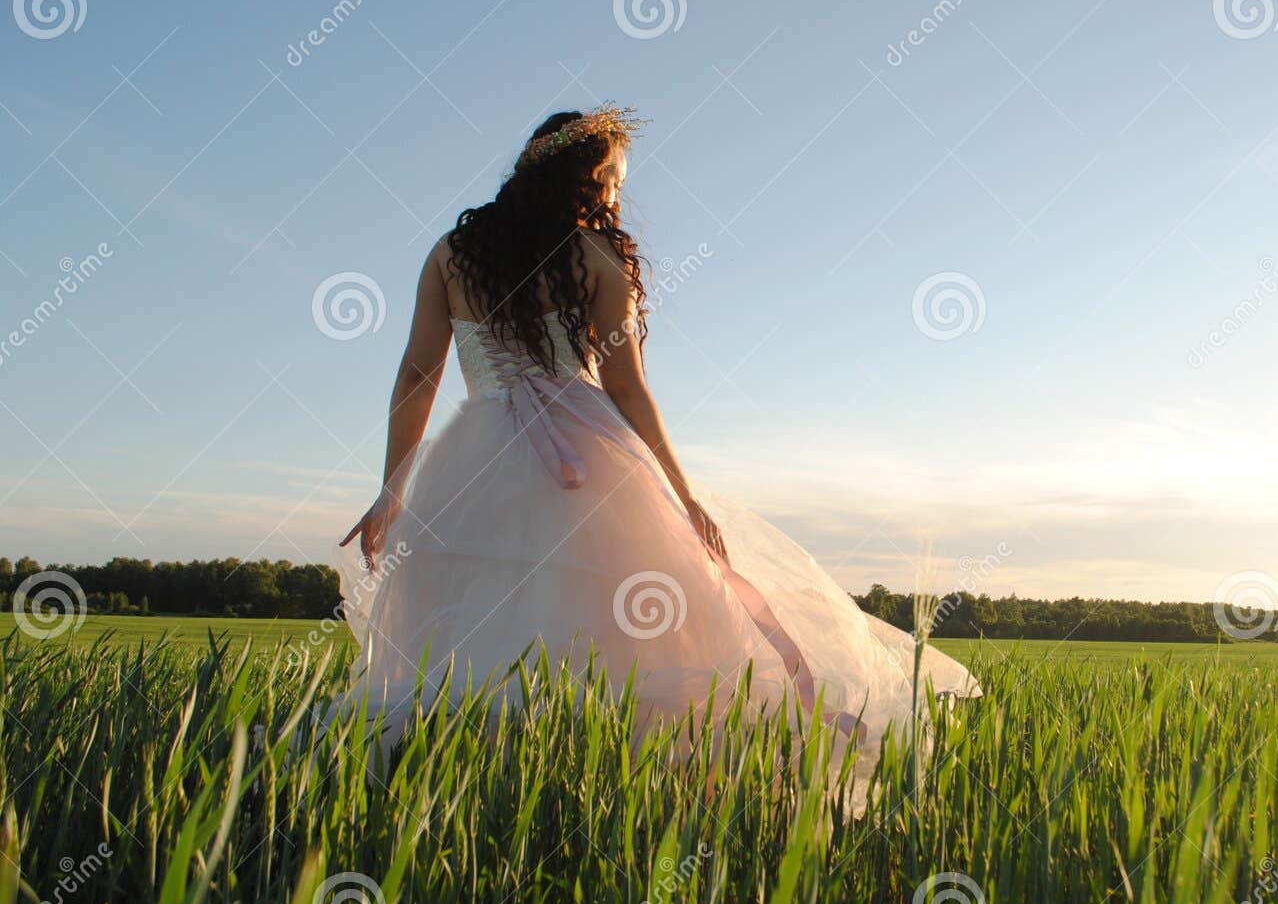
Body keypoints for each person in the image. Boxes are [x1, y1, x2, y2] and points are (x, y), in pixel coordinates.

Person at [336, 104, 978, 749]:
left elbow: (419, 376)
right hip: (592, 454)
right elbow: (626, 386)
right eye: (614, 177)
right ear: (585, 176)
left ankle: (480, 764)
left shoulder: (452, 254)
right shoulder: (596, 256)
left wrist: (392, 489)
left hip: (475, 454)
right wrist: (683, 494)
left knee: (475, 623)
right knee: (625, 620)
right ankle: (601, 762)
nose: (618, 192)